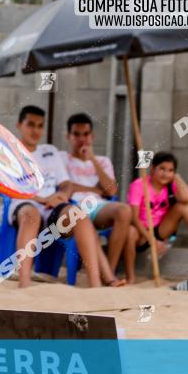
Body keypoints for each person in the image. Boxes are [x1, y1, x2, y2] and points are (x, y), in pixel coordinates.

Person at [10, 105, 125, 288]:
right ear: (19, 125)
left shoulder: (50, 152)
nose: (35, 130)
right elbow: (10, 186)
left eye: (40, 126)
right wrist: (41, 199)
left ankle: (96, 284)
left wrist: (62, 195)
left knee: (78, 214)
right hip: (25, 202)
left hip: (52, 206)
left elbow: (66, 184)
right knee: (31, 215)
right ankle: (24, 282)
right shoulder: (11, 153)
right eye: (30, 125)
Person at [61, 113, 144, 283]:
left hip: (98, 208)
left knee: (124, 210)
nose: (82, 139)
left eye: (86, 134)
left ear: (92, 136)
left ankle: (109, 272)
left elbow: (111, 190)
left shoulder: (103, 161)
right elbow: (67, 188)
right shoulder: (62, 159)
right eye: (76, 134)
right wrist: (95, 189)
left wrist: (91, 159)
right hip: (73, 207)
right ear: (68, 136)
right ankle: (109, 277)